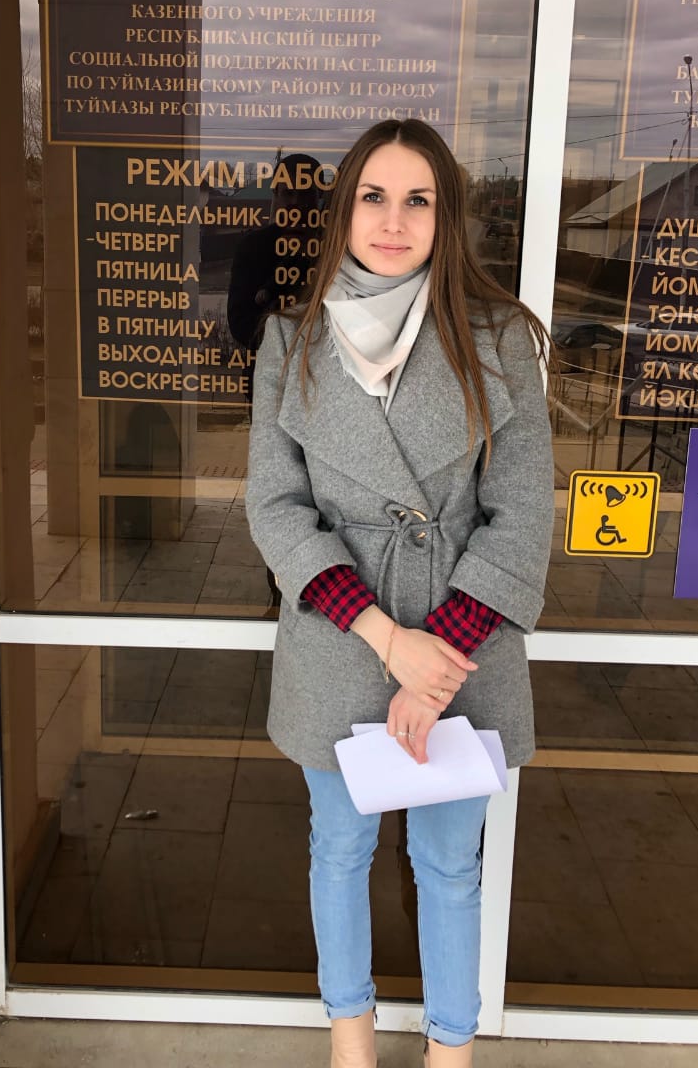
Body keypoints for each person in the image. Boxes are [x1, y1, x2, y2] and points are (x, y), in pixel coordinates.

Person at [245, 118, 554, 1068]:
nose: (393, 220)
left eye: (417, 199)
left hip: (467, 648)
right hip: (344, 641)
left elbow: (521, 513)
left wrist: (436, 663)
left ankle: (450, 1050)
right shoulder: (293, 342)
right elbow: (276, 508)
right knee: (338, 850)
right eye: (373, 197)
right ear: (344, 212)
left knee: (449, 863)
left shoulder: (499, 341)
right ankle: (352, 1040)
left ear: (445, 216)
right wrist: (390, 642)